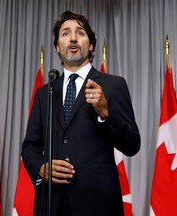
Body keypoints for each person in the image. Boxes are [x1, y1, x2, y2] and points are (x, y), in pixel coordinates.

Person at [22, 10, 141, 215]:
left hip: (98, 202)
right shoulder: (45, 92)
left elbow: (132, 144)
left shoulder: (113, 85)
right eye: (65, 33)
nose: (73, 37)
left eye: (80, 32)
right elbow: (30, 146)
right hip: (51, 202)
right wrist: (42, 167)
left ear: (91, 44)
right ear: (58, 47)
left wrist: (106, 113)